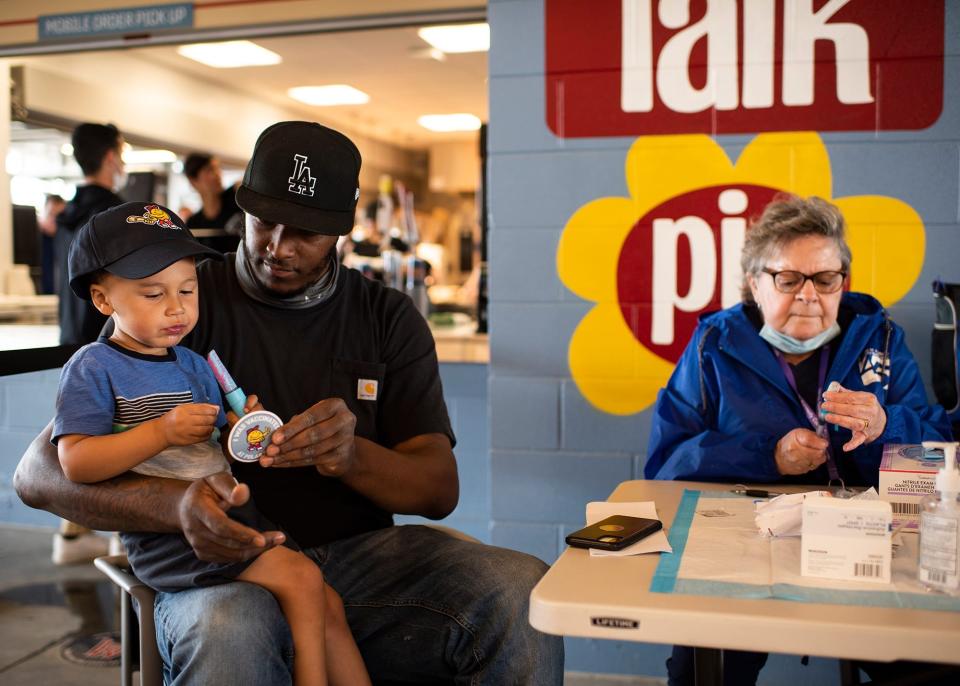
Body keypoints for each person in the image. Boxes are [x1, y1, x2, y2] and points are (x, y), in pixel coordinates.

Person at [15, 120, 564, 685]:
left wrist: (351, 456)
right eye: (264, 221)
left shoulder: (386, 318)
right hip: (216, 566)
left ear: (342, 231)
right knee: (231, 627)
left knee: (519, 589)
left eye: (305, 232)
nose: (277, 246)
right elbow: (39, 475)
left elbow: (438, 490)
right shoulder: (177, 299)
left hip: (361, 559)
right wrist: (176, 504)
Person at [54, 200, 370, 686]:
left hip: (224, 514)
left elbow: (214, 455)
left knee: (326, 601)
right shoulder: (94, 367)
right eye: (153, 293)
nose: (177, 307)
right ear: (102, 300)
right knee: (304, 581)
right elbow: (75, 463)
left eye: (187, 288)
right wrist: (160, 431)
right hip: (170, 537)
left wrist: (245, 433)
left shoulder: (195, 367)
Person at [644, 194, 952, 686]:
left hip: (867, 544)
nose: (809, 295)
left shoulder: (882, 340)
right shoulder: (712, 346)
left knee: (935, 659)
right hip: (747, 543)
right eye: (788, 279)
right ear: (754, 284)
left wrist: (886, 426)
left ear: (842, 283)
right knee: (703, 672)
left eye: (826, 279)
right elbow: (665, 462)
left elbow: (937, 453)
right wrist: (769, 457)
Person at [55, 122, 126, 346]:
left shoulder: (67, 214)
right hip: (105, 342)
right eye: (121, 155)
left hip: (69, 337)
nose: (123, 163)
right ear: (110, 157)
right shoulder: (116, 214)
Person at [183, 152, 241, 231]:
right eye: (210, 170)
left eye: (218, 168)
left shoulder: (238, 199)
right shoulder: (193, 224)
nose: (218, 174)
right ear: (193, 181)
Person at [37, 193, 65, 294]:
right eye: (51, 214)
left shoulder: (65, 240)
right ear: (43, 212)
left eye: (59, 217)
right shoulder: (32, 238)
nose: (55, 221)